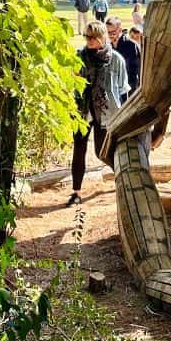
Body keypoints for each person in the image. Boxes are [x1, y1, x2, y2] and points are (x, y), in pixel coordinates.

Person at [69, 21, 128, 206]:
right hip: (82, 111)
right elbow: (72, 84)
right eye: (87, 36)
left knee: (101, 152)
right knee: (79, 150)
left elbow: (121, 89)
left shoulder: (116, 59)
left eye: (93, 37)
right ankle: (76, 193)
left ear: (102, 37)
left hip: (105, 112)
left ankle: (123, 178)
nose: (89, 40)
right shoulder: (78, 57)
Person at [106, 16, 140, 97]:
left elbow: (136, 73)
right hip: (112, 91)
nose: (110, 35)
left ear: (120, 30)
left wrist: (132, 94)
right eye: (107, 32)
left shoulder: (131, 45)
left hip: (128, 90)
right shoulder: (106, 46)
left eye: (113, 32)